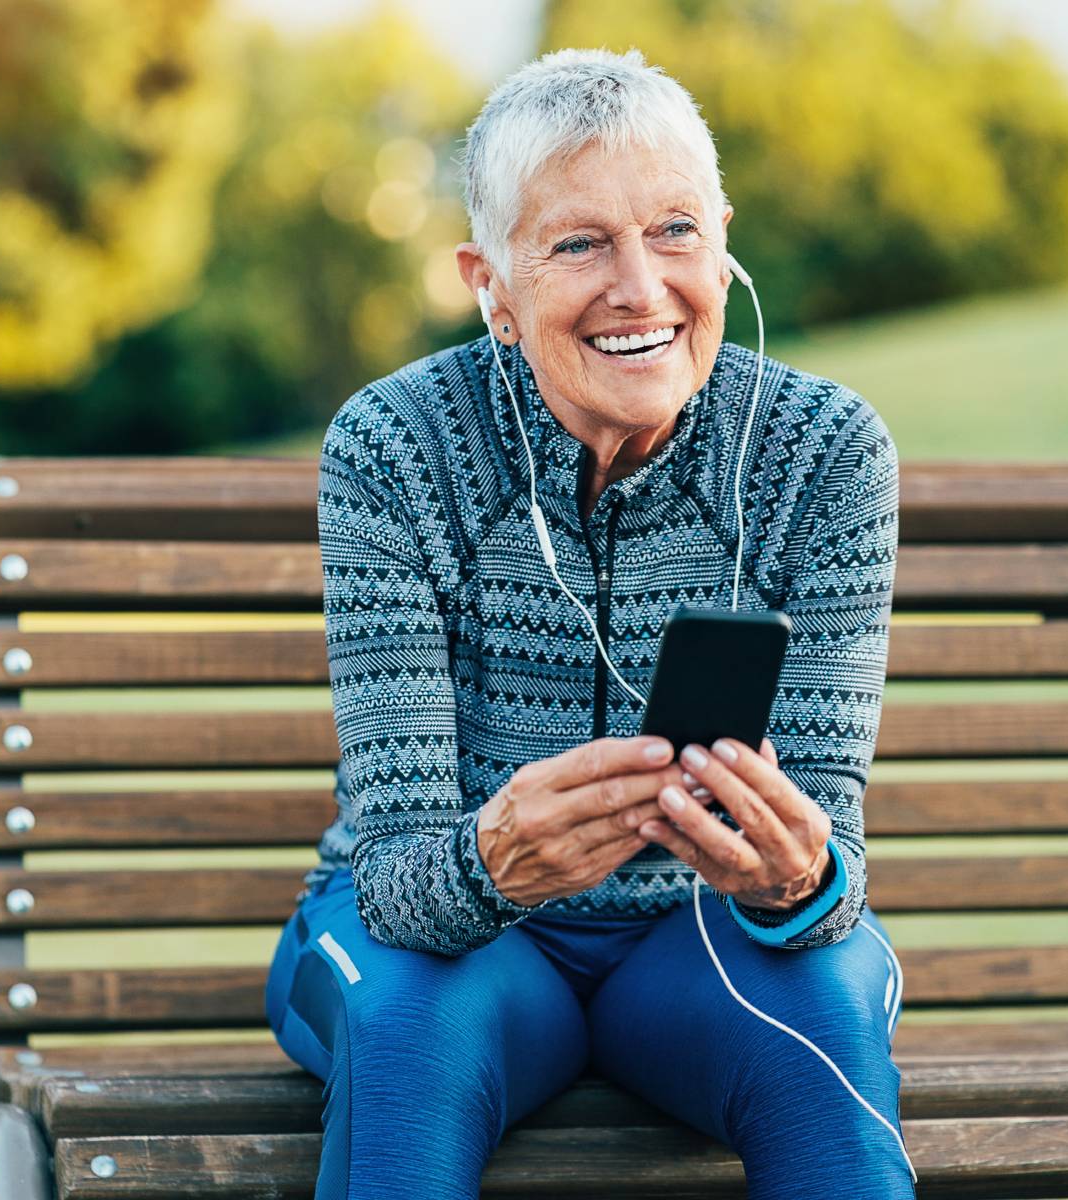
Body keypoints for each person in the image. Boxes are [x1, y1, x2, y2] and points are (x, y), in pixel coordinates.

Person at [264, 46, 910, 1200]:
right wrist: (497, 859)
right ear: (489, 285)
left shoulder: (823, 452)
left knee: (829, 1000)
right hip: (458, 945)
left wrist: (793, 875)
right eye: (578, 243)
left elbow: (835, 872)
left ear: (721, 238)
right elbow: (401, 883)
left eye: (673, 231)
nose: (640, 288)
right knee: (410, 1022)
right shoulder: (395, 445)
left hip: (702, 944)